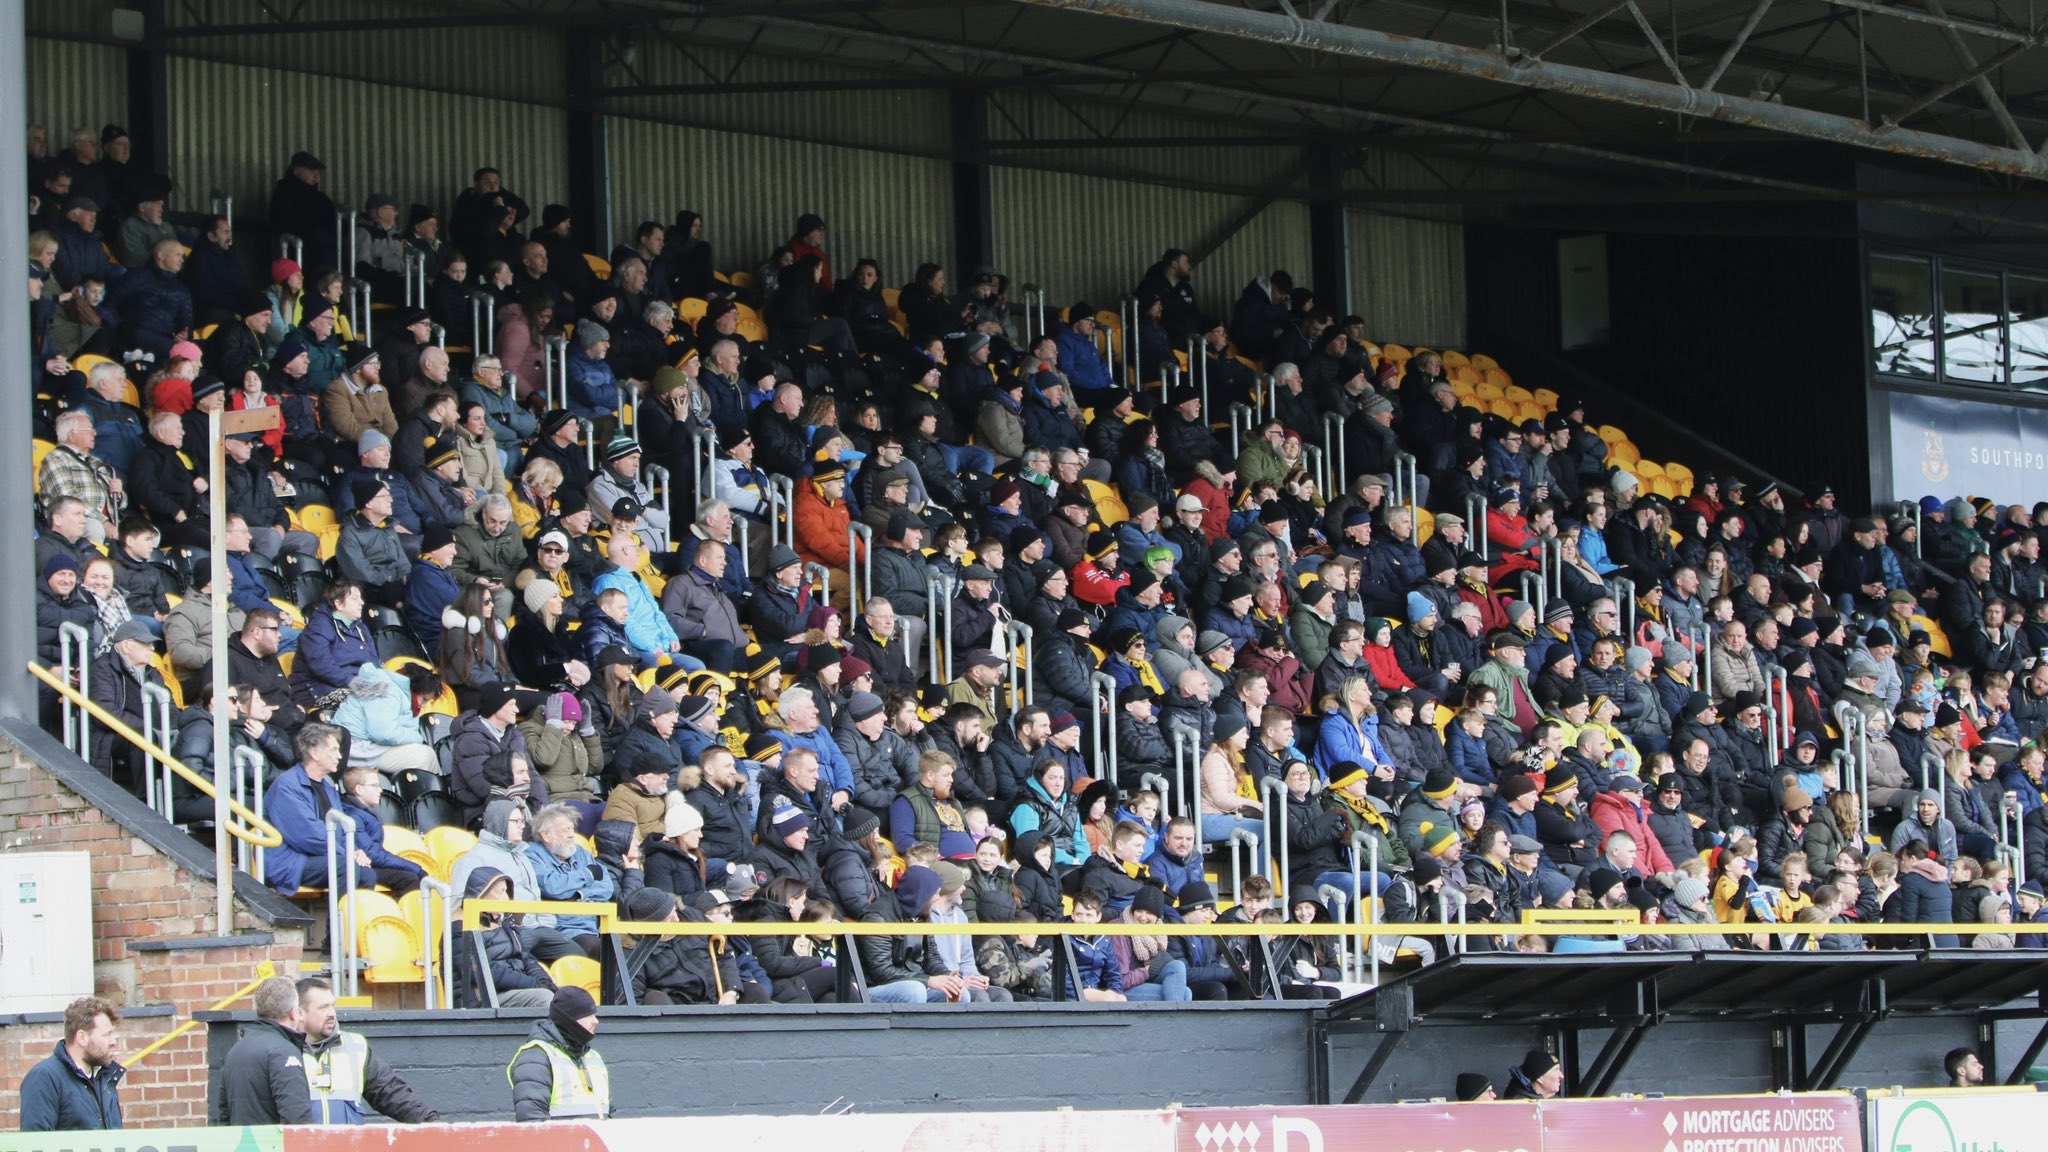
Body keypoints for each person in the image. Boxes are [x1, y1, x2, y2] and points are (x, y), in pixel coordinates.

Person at [296, 977, 439, 1124]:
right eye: (323, 1007)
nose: (332, 1013)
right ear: (300, 1013)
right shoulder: (282, 1051)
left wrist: (430, 1122)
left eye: (333, 1006)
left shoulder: (354, 1046)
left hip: (347, 1146)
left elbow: (391, 1092)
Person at [212, 975, 314, 1124]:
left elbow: (222, 1115)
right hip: (274, 1146)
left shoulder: (236, 1050)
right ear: (293, 1013)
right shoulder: (284, 1052)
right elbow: (297, 1118)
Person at [18, 997, 123, 1131]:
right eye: (106, 1035)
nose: (113, 1041)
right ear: (82, 1038)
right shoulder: (45, 1077)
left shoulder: (104, 1078)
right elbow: (35, 1143)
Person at [507, 986, 609, 1121]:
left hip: (593, 1142)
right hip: (559, 1142)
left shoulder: (593, 1057)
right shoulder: (536, 1057)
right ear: (570, 1020)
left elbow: (608, 1112)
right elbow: (532, 1120)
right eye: (588, 1015)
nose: (595, 1021)